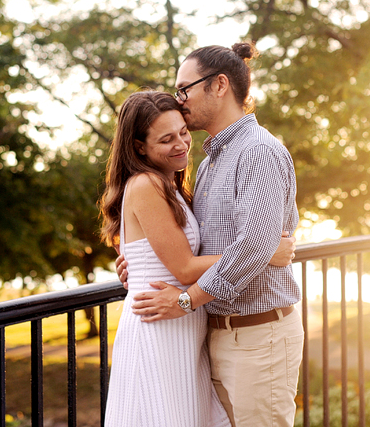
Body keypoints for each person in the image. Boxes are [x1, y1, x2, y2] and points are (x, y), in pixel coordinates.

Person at [129, 43, 305, 427]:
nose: (180, 99)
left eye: (184, 88)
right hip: (218, 335)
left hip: (260, 336)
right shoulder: (210, 161)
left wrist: (186, 301)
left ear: (219, 85)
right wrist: (140, 262)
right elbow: (198, 245)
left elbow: (254, 247)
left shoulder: (258, 151)